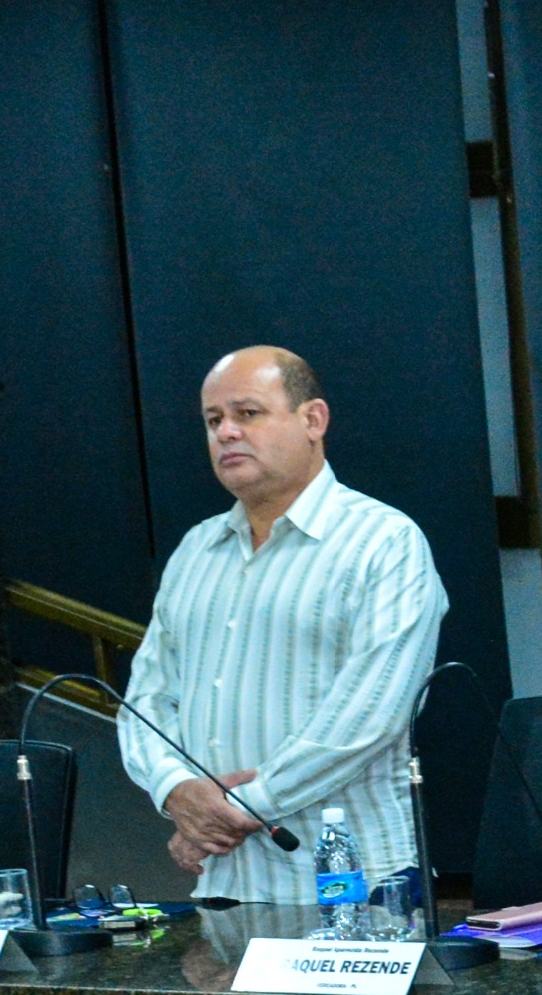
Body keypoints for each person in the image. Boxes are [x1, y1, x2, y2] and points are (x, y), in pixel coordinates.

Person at [121, 347, 447, 906]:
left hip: (357, 881)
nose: (226, 433)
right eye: (213, 420)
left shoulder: (383, 542)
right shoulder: (196, 550)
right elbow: (145, 701)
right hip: (225, 882)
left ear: (313, 420)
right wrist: (174, 790)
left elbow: (369, 716)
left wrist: (236, 808)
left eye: (247, 413)